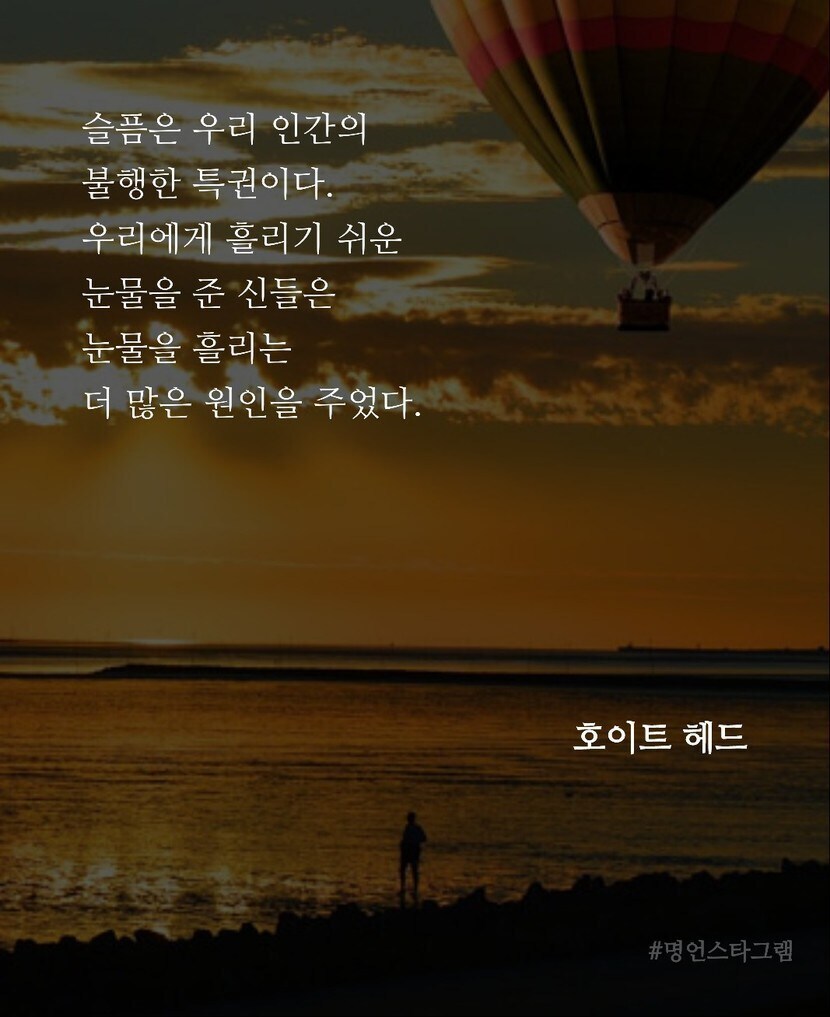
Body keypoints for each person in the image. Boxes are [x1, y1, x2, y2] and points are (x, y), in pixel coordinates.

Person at [399, 811, 427, 904]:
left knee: (411, 870)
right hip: (409, 851)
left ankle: (413, 888)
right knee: (406, 869)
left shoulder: (415, 828)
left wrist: (414, 841)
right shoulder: (409, 828)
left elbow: (424, 838)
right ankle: (405, 887)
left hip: (412, 851)